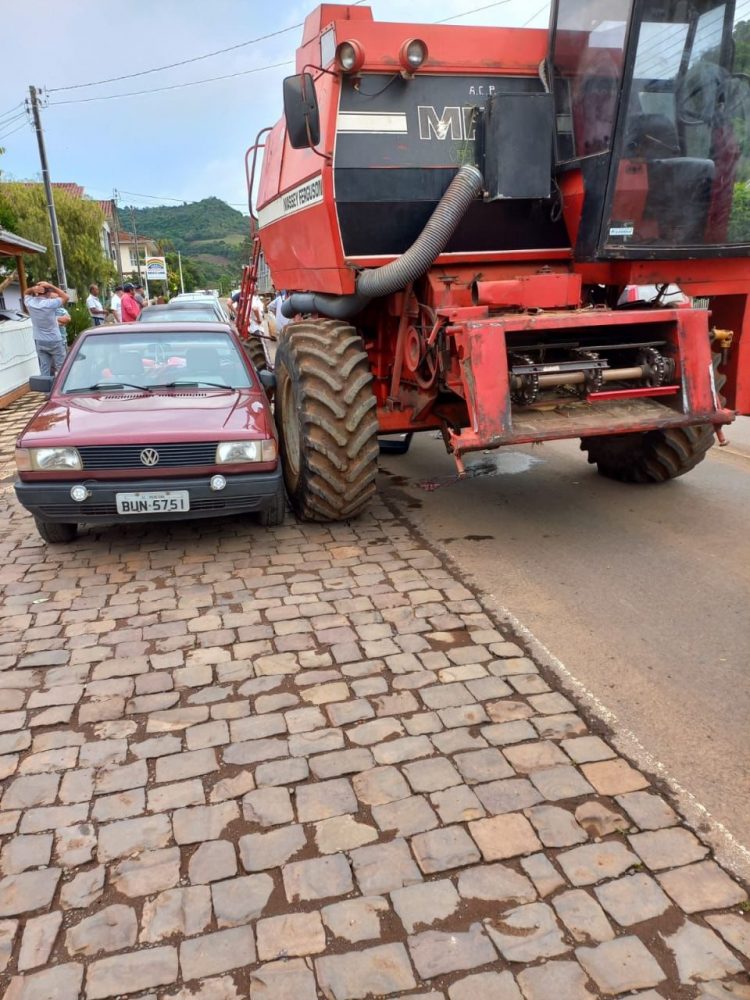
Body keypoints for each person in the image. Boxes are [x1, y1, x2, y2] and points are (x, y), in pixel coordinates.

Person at [24, 280, 69, 377]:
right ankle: (62, 390)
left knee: (44, 368)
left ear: (37, 292)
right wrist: (51, 285)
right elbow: (66, 297)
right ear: (48, 293)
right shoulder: (50, 303)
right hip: (54, 339)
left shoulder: (30, 302)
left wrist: (32, 289)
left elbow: (26, 293)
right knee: (62, 368)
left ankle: (46, 391)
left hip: (39, 340)